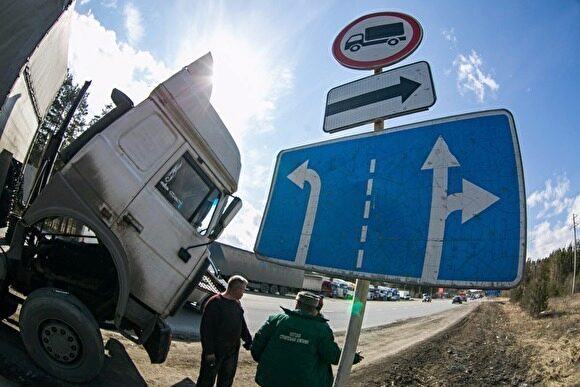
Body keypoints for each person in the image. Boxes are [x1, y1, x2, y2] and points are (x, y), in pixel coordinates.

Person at [251, 291, 362, 387]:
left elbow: (256, 348)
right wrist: (353, 357)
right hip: (306, 382)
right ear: (315, 308)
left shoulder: (276, 320)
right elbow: (333, 355)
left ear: (297, 303)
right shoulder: (320, 329)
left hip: (271, 380)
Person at [197, 275, 252, 387]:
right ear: (236, 289)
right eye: (242, 290)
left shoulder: (237, 304)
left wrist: (248, 341)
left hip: (231, 351)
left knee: (226, 380)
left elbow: (241, 324)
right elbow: (206, 330)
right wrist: (209, 352)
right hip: (215, 351)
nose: (243, 293)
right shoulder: (215, 303)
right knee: (206, 380)